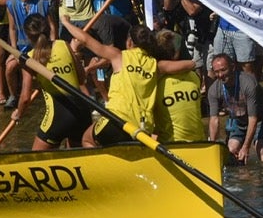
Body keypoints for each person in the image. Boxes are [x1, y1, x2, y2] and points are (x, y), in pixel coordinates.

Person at [63, 17, 195, 146]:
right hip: (142, 131)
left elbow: (85, 40)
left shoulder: (118, 56)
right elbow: (190, 64)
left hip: (116, 121)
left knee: (87, 139)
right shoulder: (155, 65)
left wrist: (66, 22)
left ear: (130, 42)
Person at [12, 14, 86, 150]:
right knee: (75, 160)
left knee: (36, 160)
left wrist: (18, 114)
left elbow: (25, 98)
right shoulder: (64, 44)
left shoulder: (29, 59)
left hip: (60, 114)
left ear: (28, 35)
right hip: (82, 111)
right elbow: (81, 78)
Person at [206, 52, 263, 164]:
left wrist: (246, 147)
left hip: (261, 118)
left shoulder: (249, 83)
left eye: (223, 70)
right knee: (231, 150)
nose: (220, 75)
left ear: (232, 67)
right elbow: (214, 120)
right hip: (238, 119)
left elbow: (253, 119)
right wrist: (212, 147)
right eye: (216, 72)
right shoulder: (213, 90)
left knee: (261, 149)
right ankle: (242, 177)